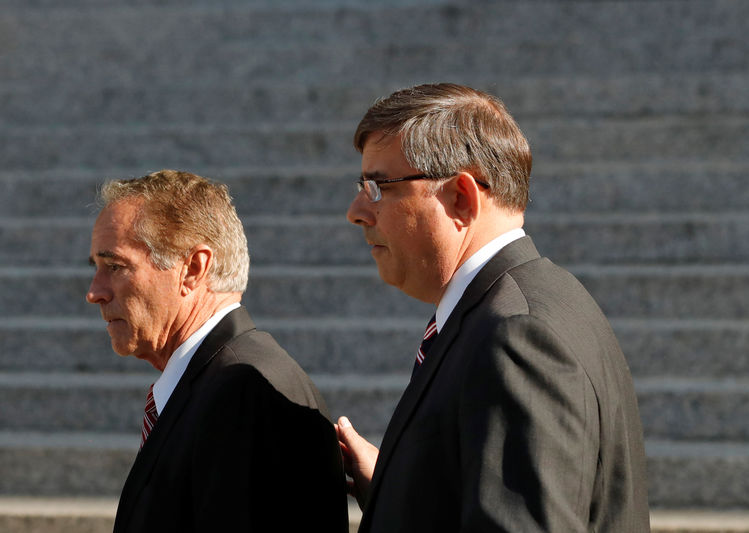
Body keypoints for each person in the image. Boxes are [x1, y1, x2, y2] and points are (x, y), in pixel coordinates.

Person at [336, 84, 651, 532]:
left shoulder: (518, 335)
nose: (356, 211)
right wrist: (397, 489)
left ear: (461, 197)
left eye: (377, 186)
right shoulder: (528, 301)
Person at [86, 170, 348, 533]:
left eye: (115, 267)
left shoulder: (244, 392)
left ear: (193, 268)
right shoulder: (220, 381)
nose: (94, 291)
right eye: (96, 268)